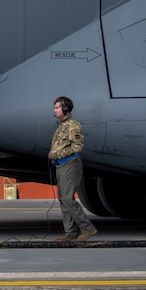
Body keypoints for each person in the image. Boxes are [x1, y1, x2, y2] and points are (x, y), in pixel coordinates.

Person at [50, 95, 98, 242]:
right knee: (63, 200)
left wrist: (59, 153)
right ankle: (70, 233)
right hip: (61, 166)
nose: (55, 110)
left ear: (65, 109)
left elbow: (77, 147)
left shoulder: (73, 125)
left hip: (70, 164)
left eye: (57, 107)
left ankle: (87, 229)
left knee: (68, 199)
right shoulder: (62, 126)